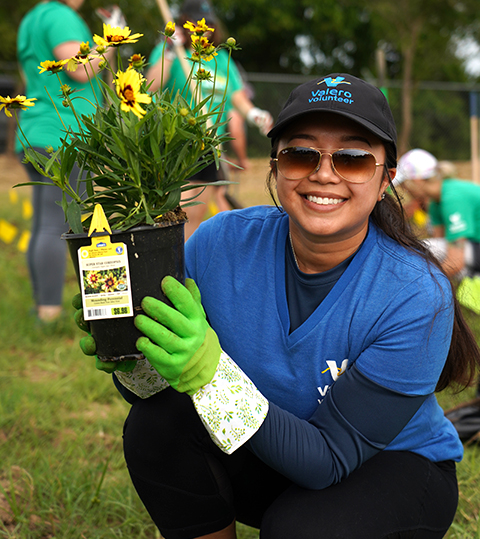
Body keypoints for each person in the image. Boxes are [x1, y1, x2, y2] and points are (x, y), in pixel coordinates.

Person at [77, 73, 480, 538]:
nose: (323, 172)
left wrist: (212, 375)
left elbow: (328, 460)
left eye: (352, 158)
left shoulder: (414, 292)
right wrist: (130, 350)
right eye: (300, 152)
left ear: (386, 176)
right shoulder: (219, 242)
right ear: (275, 166)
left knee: (299, 529)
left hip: (391, 467)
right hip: (274, 449)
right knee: (156, 426)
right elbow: (156, 393)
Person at [16, 0, 115, 323]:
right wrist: (110, 43)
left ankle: (43, 307)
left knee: (45, 223)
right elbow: (79, 68)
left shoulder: (32, 18)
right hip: (63, 136)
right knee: (59, 224)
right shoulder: (60, 16)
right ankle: (52, 313)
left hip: (35, 131)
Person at [145, 0, 273, 240]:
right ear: (183, 22)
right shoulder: (171, 50)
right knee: (173, 213)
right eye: (195, 23)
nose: (202, 28)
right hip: (175, 140)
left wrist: (254, 114)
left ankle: (182, 265)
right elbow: (150, 86)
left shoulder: (221, 59)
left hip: (207, 143)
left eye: (207, 23)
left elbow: (237, 96)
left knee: (194, 214)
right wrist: (171, 51)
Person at [395, 148, 480, 278]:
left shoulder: (452, 198)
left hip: (473, 250)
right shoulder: (436, 202)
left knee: (428, 250)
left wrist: (420, 282)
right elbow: (440, 242)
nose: (403, 190)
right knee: (430, 249)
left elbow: (456, 261)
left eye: (403, 184)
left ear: (416, 181)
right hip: (474, 248)